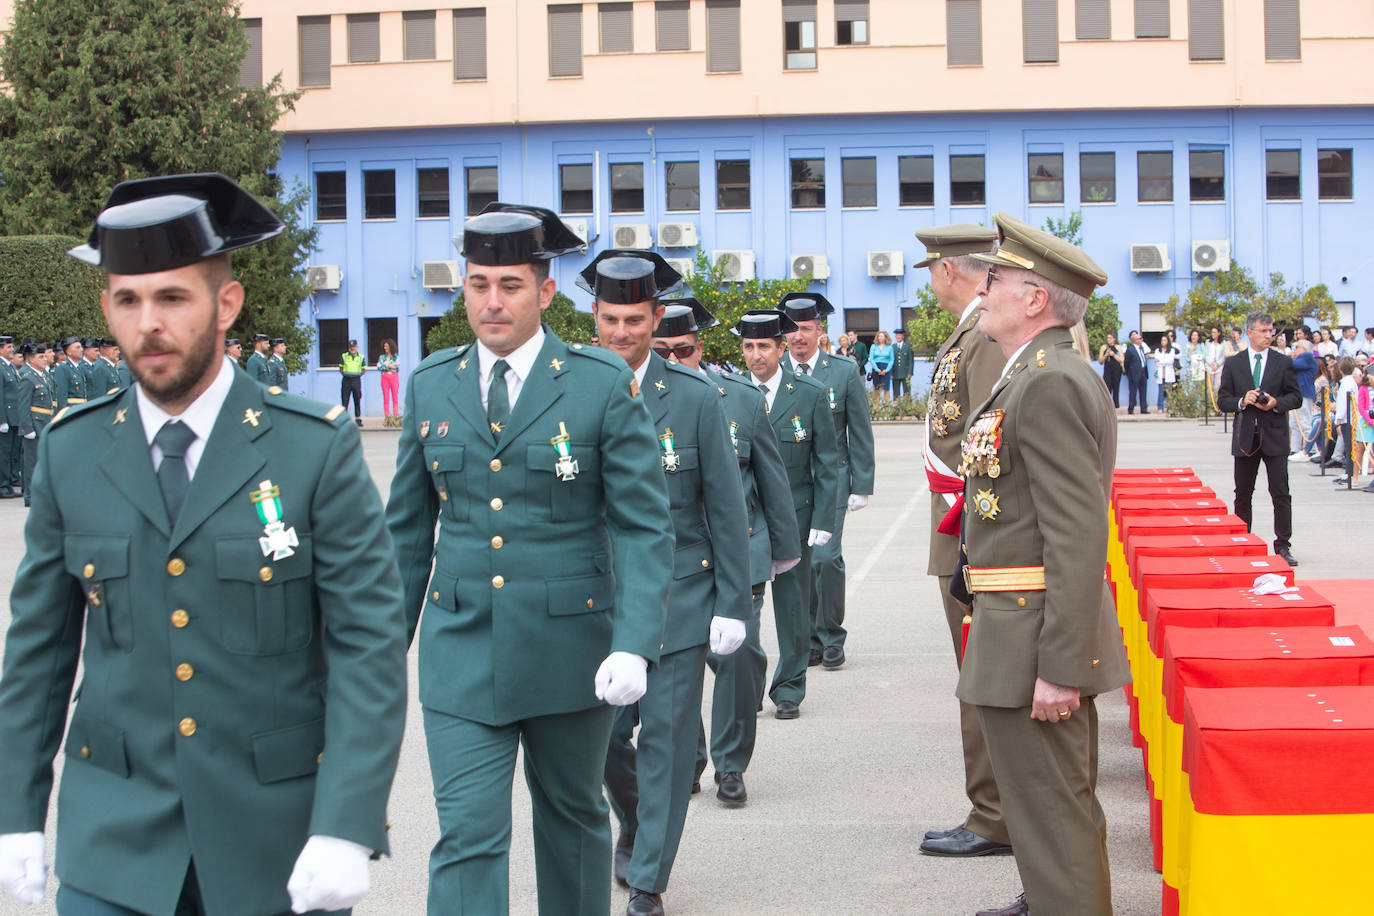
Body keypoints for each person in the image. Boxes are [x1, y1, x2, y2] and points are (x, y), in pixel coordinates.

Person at [0, 172, 408, 915]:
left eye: (172, 298)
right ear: (106, 308)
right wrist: (13, 814)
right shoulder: (72, 451)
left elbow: (367, 645)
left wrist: (347, 823)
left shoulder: (313, 450)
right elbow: (37, 651)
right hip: (114, 842)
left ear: (226, 304)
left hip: (275, 842)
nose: (148, 323)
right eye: (128, 299)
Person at [385, 203, 675, 915]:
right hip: (459, 651)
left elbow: (643, 526)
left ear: (545, 291)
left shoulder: (600, 383)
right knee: (467, 834)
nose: (492, 301)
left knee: (573, 822)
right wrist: (378, 647)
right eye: (479, 283)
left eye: (510, 284)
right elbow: (404, 532)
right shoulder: (431, 383)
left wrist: (636, 642)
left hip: (569, 648)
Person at [958, 212, 1129, 916]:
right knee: (1042, 810)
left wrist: (1061, 665)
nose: (982, 288)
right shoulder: (1030, 371)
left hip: (1035, 638)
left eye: (995, 277)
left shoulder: (1048, 379)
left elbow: (1078, 532)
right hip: (1016, 626)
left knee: (1056, 817)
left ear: (1034, 298)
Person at [582, 252, 750, 916]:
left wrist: (733, 602)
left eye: (635, 320)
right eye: (609, 320)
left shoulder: (694, 398)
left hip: (680, 596)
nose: (622, 334)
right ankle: (637, 819)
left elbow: (725, 507)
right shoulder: (572, 390)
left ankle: (647, 880)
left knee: (669, 749)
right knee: (597, 745)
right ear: (594, 319)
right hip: (598, 603)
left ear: (657, 318)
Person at [653, 300, 800, 809]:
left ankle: (730, 763)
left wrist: (783, 549)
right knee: (678, 663)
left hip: (738, 549)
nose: (676, 358)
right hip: (672, 557)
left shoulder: (737, 398)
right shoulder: (630, 401)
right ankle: (689, 757)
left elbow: (770, 476)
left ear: (701, 348)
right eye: (663, 350)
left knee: (738, 657)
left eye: (685, 350)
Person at [912, 224, 1013, 860]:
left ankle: (994, 814)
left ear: (949, 271)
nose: (930, 282)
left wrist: (974, 538)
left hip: (971, 528)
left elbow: (987, 444)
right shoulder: (972, 331)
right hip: (960, 525)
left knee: (980, 674)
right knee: (973, 672)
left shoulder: (983, 335)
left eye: (931, 270)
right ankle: (992, 806)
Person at [736, 308, 839, 719]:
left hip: (796, 515)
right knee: (744, 608)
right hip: (745, 519)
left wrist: (824, 520)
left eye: (764, 346)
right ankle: (750, 684)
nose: (756, 355)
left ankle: (790, 687)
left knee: (794, 606)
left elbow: (827, 461)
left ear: (781, 348)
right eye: (748, 346)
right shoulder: (727, 393)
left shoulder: (810, 393)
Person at [779, 292, 874, 671]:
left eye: (806, 329)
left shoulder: (842, 371)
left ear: (820, 331)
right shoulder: (776, 371)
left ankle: (832, 633)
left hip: (832, 479)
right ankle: (812, 640)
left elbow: (860, 430)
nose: (799, 337)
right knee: (800, 564)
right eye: (793, 330)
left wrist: (862, 483)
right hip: (790, 485)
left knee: (825, 558)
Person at [1217, 310, 1303, 566]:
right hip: (1246, 437)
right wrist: (1243, 400)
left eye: (1271, 331)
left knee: (1281, 492)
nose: (1269, 336)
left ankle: (1283, 545)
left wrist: (1276, 402)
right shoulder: (1234, 363)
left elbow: (1295, 396)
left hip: (1275, 435)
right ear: (1250, 332)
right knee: (1243, 493)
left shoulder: (1282, 361)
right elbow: (1223, 401)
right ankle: (1243, 541)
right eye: (1263, 331)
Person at [12, 341, 54, 508]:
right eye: (40, 357)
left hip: (44, 422)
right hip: (34, 424)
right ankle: (29, 494)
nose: (44, 359)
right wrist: (27, 428)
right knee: (31, 462)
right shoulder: (28, 378)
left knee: (42, 460)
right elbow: (23, 406)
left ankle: (40, 492)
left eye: (45, 356)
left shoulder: (43, 376)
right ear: (31, 359)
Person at [1330, 356, 1359, 486]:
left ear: (1340, 369)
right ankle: (1349, 472)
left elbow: (1343, 405)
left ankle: (1349, 473)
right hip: (1351, 418)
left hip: (1347, 419)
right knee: (1349, 447)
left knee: (1349, 447)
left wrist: (1338, 420)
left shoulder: (1346, 384)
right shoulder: (1351, 382)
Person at [1290, 339, 1320, 460]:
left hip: (1304, 393)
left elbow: (1293, 364)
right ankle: (1295, 449)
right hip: (1297, 393)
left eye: (1297, 347)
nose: (1295, 349)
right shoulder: (1301, 359)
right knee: (1294, 423)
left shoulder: (1307, 356)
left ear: (1304, 349)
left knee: (1304, 422)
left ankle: (1311, 449)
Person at [0, 335, 21, 499]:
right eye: (8, 347)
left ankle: (8, 482)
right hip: (6, 417)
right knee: (3, 453)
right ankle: (3, 485)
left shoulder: (9, 367)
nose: (12, 349)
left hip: (13, 417)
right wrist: (2, 419)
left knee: (11, 453)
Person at [53, 336, 88, 409]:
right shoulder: (63, 368)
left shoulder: (81, 368)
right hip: (72, 410)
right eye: (77, 347)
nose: (81, 350)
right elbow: (61, 396)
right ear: (69, 352)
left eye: (81, 347)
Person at [339, 339, 365, 427]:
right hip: (346, 380)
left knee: (357, 399)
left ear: (356, 347)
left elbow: (363, 369)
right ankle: (344, 420)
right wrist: (347, 375)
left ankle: (358, 419)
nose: (352, 348)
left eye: (354, 346)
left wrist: (356, 376)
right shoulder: (344, 356)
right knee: (345, 400)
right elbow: (341, 368)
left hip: (356, 380)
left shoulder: (361, 357)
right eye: (351, 347)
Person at [1123, 330, 1150, 414]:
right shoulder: (1130, 350)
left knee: (1143, 391)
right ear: (1135, 340)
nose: (1142, 340)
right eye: (1140, 339)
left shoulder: (1141, 348)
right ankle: (1131, 409)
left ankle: (1144, 408)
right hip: (1134, 373)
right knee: (1133, 392)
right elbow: (1126, 363)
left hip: (1143, 372)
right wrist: (1128, 373)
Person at [1153, 330, 1180, 413]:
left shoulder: (1172, 351)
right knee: (1160, 392)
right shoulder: (1157, 351)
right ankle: (1160, 408)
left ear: (1168, 341)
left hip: (1168, 373)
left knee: (1169, 392)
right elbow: (1157, 362)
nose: (1163, 342)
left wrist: (1162, 361)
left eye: (1164, 340)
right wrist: (1163, 361)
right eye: (1162, 340)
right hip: (1161, 374)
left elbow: (1170, 361)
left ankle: (1169, 408)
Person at [378, 338, 401, 427]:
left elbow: (396, 367)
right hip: (384, 377)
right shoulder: (382, 357)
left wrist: (386, 366)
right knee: (386, 398)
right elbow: (379, 367)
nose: (385, 348)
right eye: (384, 346)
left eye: (387, 346)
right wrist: (389, 366)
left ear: (391, 347)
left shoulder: (396, 356)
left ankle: (395, 418)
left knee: (395, 397)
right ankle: (387, 417)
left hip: (394, 377)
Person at [1097, 331, 1124, 408]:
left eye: (1110, 338)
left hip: (1116, 369)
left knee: (1116, 387)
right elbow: (1100, 361)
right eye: (1107, 338)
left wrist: (1114, 355)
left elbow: (1121, 359)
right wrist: (1106, 355)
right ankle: (1107, 405)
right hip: (1108, 369)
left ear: (1114, 339)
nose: (1108, 339)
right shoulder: (1103, 347)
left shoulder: (1118, 347)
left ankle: (1116, 404)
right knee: (1107, 387)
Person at [866, 330, 894, 401]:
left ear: (885, 337)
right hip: (876, 368)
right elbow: (871, 358)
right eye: (879, 336)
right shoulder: (873, 346)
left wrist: (887, 369)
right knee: (876, 388)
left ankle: (887, 407)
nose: (880, 338)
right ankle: (876, 408)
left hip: (886, 368)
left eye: (882, 336)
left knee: (886, 389)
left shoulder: (889, 347)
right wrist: (876, 369)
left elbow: (892, 360)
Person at [891, 328, 914, 398]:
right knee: (896, 392)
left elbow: (911, 360)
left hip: (905, 373)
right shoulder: (892, 347)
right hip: (895, 373)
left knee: (907, 392)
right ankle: (896, 407)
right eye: (897, 335)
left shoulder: (908, 346)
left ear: (903, 336)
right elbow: (891, 361)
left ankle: (908, 407)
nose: (898, 337)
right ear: (895, 336)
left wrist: (910, 372)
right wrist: (891, 373)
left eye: (900, 335)